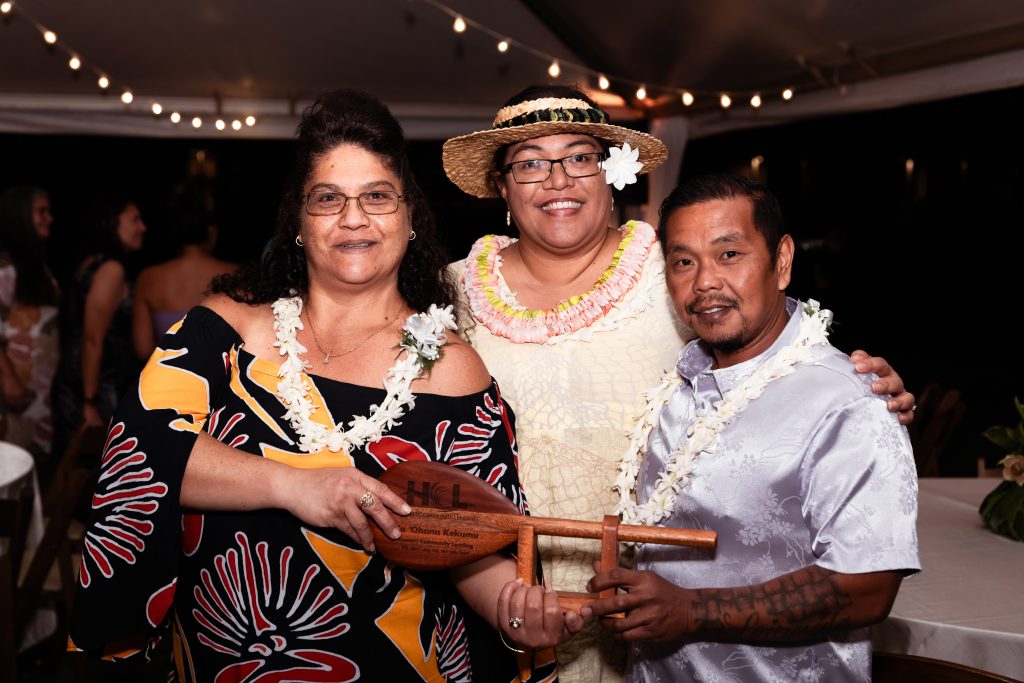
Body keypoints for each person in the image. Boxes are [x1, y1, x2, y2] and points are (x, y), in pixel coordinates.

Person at [69, 89, 579, 682]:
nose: (353, 218)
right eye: (328, 199)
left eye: (377, 197)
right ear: (299, 223)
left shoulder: (450, 368)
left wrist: (516, 616)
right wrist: (297, 487)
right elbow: (141, 448)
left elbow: (478, 544)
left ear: (410, 218)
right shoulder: (226, 326)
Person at [441, 84, 916, 682]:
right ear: (502, 186)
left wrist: (863, 388)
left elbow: (766, 329)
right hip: (501, 596)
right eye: (530, 162)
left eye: (579, 157)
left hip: (654, 612)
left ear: (610, 171)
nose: (557, 179)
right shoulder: (451, 291)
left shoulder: (667, 263)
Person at [582, 173, 919, 681]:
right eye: (683, 262)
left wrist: (692, 610)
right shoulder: (677, 389)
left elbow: (868, 588)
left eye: (729, 255)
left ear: (781, 261)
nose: (704, 282)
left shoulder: (848, 400)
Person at [50, 196, 147, 464]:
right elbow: (93, 338)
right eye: (135, 219)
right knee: (92, 468)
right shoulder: (111, 269)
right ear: (112, 224)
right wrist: (89, 403)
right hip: (94, 383)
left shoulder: (93, 261)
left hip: (80, 375)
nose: (143, 227)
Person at [0, 185, 60, 478]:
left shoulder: (34, 265)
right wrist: (9, 381)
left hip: (38, 396)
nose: (49, 218)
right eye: (41, 211)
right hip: (13, 396)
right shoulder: (5, 266)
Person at [132, 196, 237, 359]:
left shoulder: (148, 278)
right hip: (223, 381)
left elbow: (143, 349)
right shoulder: (235, 274)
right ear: (210, 232)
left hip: (168, 380)